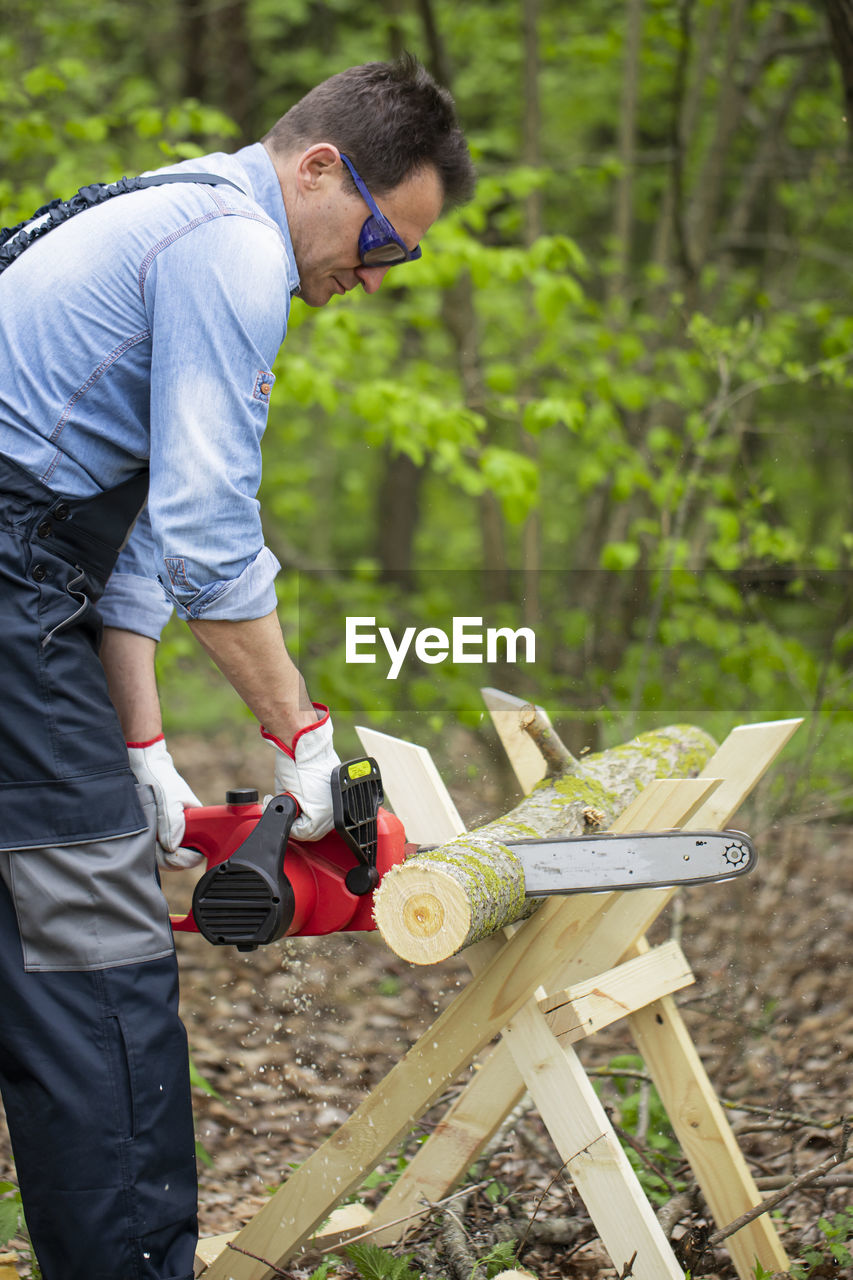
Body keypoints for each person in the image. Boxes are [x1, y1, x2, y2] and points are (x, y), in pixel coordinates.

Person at [0, 54, 475, 1280]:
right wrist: (302, 736)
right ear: (319, 167)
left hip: (26, 577)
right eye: (384, 244)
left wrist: (142, 748)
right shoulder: (235, 249)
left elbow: (136, 540)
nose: (372, 279)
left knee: (39, 915)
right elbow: (213, 529)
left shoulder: (173, 210)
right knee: (92, 947)